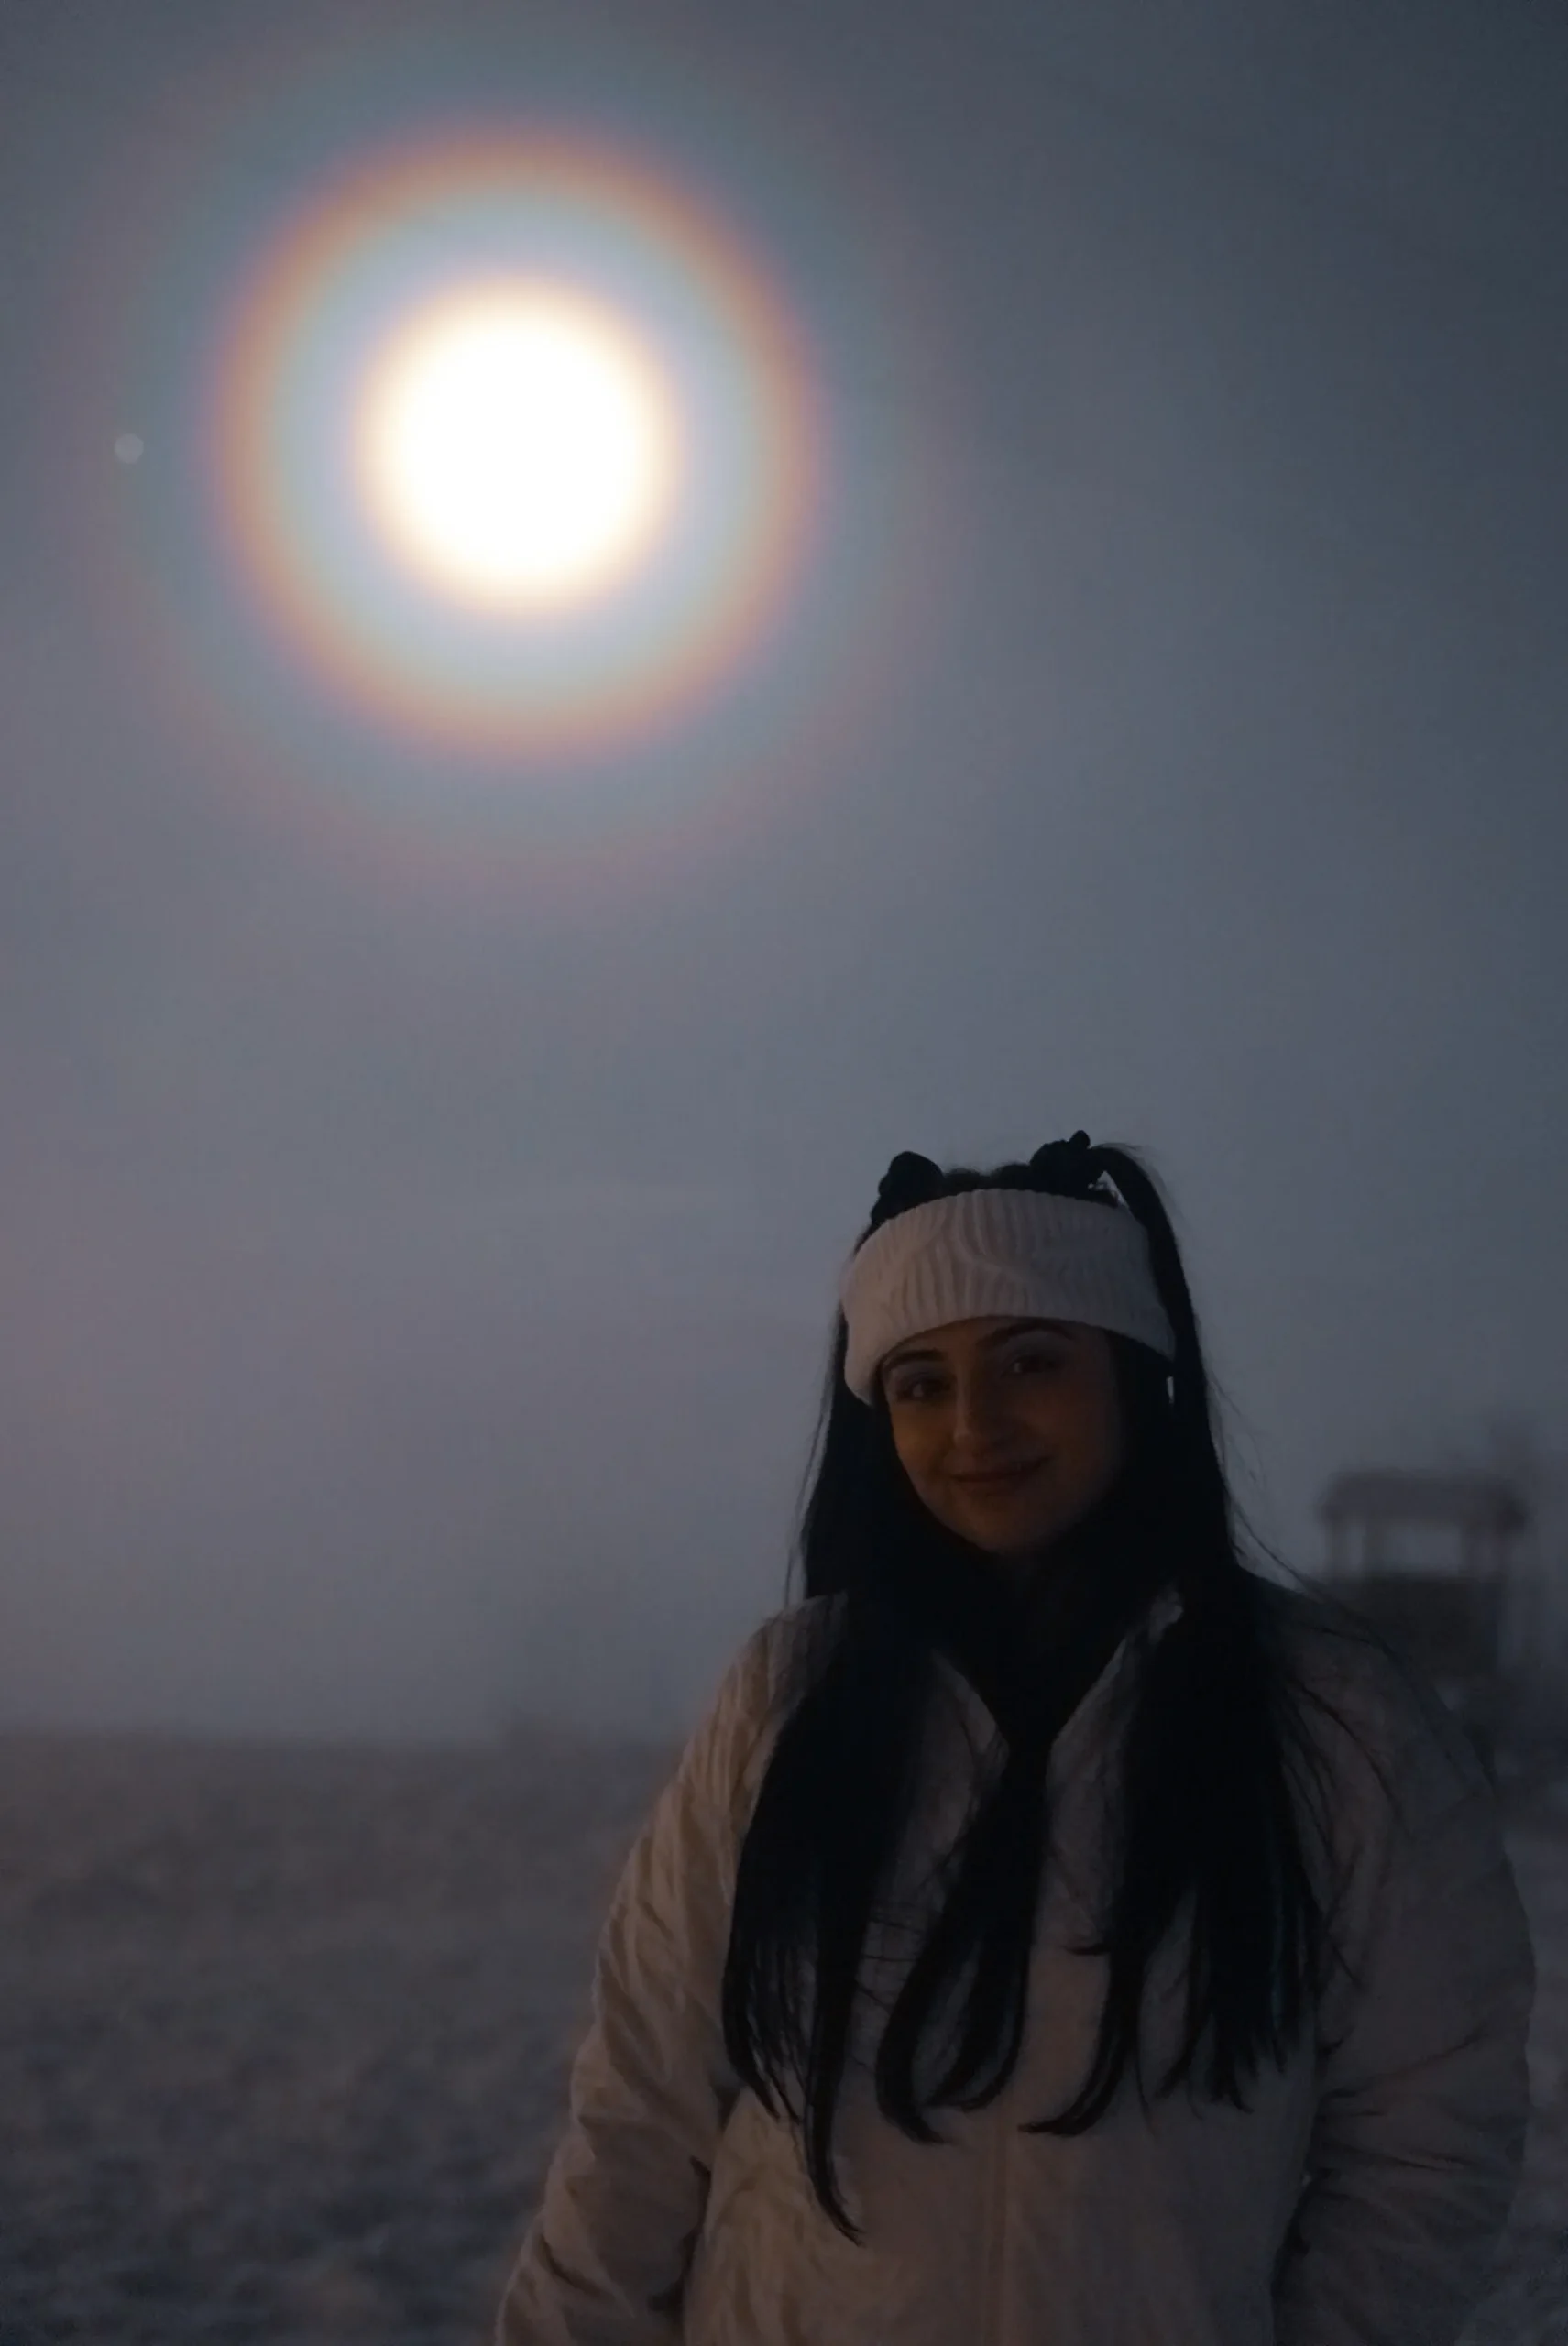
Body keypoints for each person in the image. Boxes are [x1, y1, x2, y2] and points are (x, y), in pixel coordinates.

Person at [497, 1134, 1535, 2345]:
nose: (973, 1425)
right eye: (919, 1384)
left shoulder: (1331, 1715)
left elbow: (1426, 2133)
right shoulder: (788, 1698)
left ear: (1136, 1373)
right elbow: (641, 2106)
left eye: (1030, 1361)